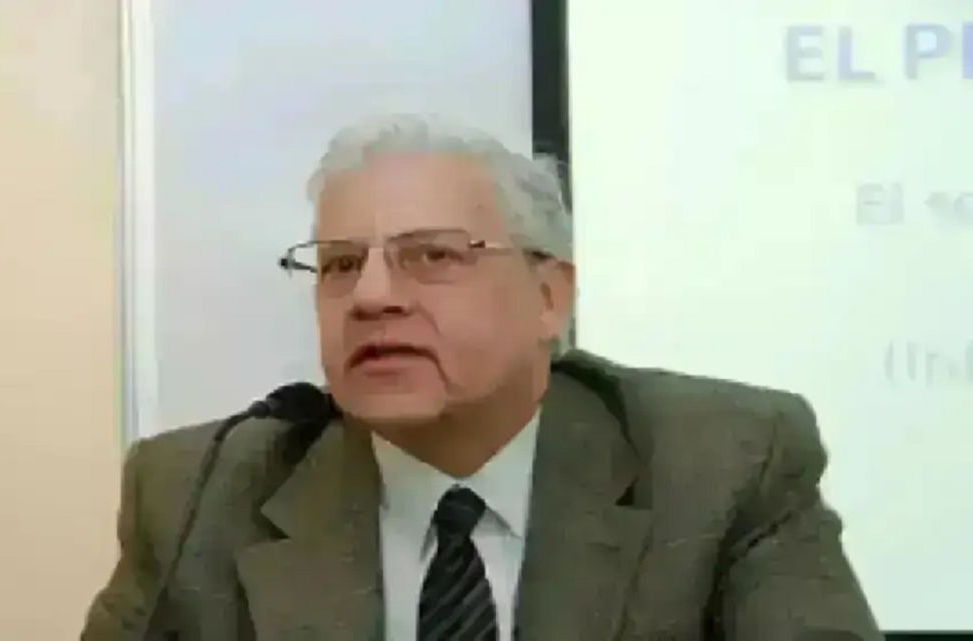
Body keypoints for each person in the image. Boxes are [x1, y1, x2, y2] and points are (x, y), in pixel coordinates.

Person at [81, 114, 881, 640]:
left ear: (549, 296)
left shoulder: (723, 466)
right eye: (341, 264)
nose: (372, 296)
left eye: (432, 255)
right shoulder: (200, 492)